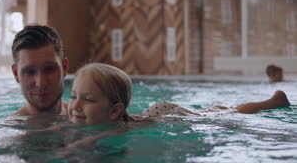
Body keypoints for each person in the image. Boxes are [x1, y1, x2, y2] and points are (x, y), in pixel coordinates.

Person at [68, 63, 292, 126]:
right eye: (73, 96)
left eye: (87, 99)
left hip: (167, 114)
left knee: (226, 114)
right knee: (208, 111)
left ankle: (271, 102)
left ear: (116, 110)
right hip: (158, 111)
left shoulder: (108, 131)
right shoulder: (100, 119)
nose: (76, 105)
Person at [11, 24, 69, 116]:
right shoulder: (10, 129)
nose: (41, 83)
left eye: (49, 69)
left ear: (64, 67)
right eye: (30, 72)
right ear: (16, 74)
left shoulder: (86, 118)